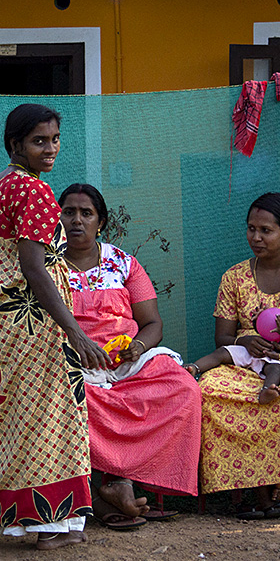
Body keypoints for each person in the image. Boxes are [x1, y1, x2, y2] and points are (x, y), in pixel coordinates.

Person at [0, 104, 110, 551]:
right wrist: (74, 330)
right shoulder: (34, 192)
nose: (51, 148)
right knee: (48, 419)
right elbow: (34, 270)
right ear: (15, 144)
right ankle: (48, 524)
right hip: (34, 326)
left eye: (55, 139)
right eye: (40, 140)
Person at [59, 184, 201, 530]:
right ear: (57, 218)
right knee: (70, 396)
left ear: (101, 221)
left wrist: (136, 349)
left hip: (126, 361)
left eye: (86, 213)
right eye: (68, 212)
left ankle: (127, 481)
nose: (76, 220)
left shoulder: (123, 263)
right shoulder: (47, 266)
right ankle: (107, 486)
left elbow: (152, 323)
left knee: (182, 388)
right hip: (72, 363)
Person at [197, 192, 280, 519]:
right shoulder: (234, 277)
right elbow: (224, 337)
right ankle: (248, 489)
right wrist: (247, 342)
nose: (256, 237)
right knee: (209, 387)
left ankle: (279, 484)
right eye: (250, 229)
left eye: (266, 231)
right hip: (246, 361)